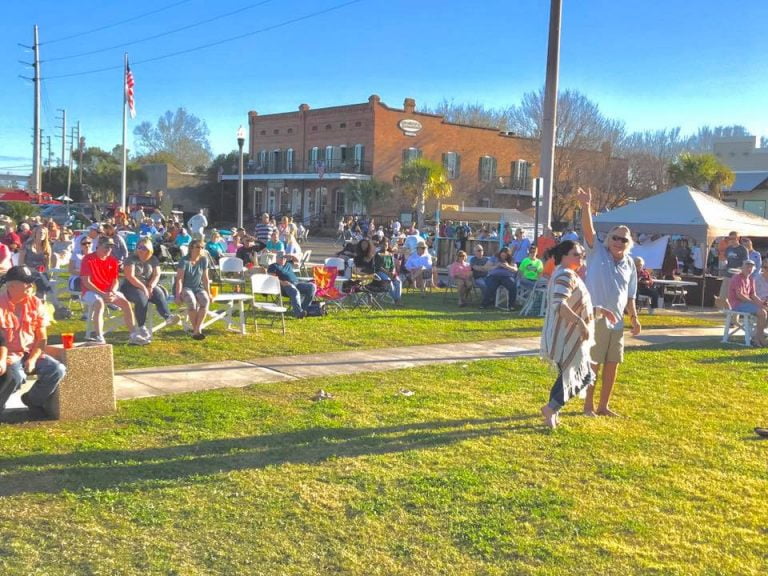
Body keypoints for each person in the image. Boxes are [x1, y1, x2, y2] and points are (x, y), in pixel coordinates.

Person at [577, 186, 640, 417]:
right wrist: (586, 206)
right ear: (608, 239)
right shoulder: (597, 252)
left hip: (618, 322)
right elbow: (588, 230)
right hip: (597, 317)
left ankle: (604, 406)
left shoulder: (630, 263)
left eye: (623, 239)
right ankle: (588, 406)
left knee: (613, 364)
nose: (618, 242)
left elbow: (630, 293)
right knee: (594, 363)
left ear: (628, 243)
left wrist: (634, 317)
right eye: (614, 237)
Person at [539, 241, 595, 428]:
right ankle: (551, 408)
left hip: (565, 335)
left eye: (582, 254)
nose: (580, 258)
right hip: (565, 336)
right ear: (563, 256)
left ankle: (552, 412)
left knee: (568, 374)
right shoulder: (565, 275)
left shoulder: (568, 275)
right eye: (575, 254)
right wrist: (579, 323)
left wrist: (598, 311)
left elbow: (576, 304)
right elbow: (559, 305)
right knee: (583, 376)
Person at [0, 266, 67, 418]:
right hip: (7, 354)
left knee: (57, 369)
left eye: (31, 282)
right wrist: (4, 359)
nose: (31, 286)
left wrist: (33, 358)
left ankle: (32, 400)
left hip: (30, 352)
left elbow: (42, 337)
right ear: (12, 286)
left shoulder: (36, 303)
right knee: (16, 375)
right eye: (27, 283)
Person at [80, 236, 148, 345]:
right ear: (98, 246)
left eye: (111, 247)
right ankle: (99, 336)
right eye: (106, 247)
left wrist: (112, 292)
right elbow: (86, 282)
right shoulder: (88, 259)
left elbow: (115, 281)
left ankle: (133, 334)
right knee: (99, 303)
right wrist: (102, 294)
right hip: (90, 291)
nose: (109, 250)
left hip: (108, 291)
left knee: (126, 304)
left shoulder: (112, 261)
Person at [120, 237, 181, 341]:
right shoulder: (131, 259)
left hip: (147, 285)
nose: (140, 249)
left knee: (158, 293)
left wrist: (150, 286)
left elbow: (157, 274)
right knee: (142, 298)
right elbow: (130, 277)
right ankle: (141, 326)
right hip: (130, 286)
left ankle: (168, 317)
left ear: (149, 249)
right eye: (139, 247)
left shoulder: (153, 259)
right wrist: (144, 288)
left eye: (144, 247)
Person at [174, 239, 211, 340]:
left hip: (198, 287)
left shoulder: (204, 260)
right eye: (198, 247)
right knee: (191, 302)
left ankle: (196, 329)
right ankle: (197, 330)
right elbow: (179, 279)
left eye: (202, 247)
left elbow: (205, 278)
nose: (200, 249)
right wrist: (177, 295)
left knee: (205, 301)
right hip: (185, 287)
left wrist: (209, 293)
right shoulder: (184, 261)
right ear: (191, 248)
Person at [727, 259, 767, 346]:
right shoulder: (737, 278)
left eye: (751, 267)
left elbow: (753, 295)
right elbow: (739, 296)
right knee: (762, 312)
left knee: (764, 310)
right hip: (737, 304)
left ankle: (757, 337)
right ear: (742, 267)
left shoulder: (751, 279)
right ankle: (759, 338)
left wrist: (761, 304)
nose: (749, 268)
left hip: (746, 304)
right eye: (747, 266)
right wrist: (755, 303)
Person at [267, 252, 316, 318]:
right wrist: (282, 282)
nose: (283, 260)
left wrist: (291, 255)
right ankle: (298, 313)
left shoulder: (288, 264)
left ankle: (304, 309)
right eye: (281, 258)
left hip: (297, 284)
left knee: (312, 287)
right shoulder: (273, 266)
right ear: (277, 258)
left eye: (284, 258)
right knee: (294, 291)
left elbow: (298, 261)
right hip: (284, 286)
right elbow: (272, 278)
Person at [374, 238, 402, 305]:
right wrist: (388, 273)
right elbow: (379, 267)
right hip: (380, 272)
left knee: (398, 282)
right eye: (383, 245)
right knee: (389, 282)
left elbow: (392, 265)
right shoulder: (378, 254)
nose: (385, 246)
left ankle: (398, 299)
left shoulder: (389, 254)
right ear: (380, 245)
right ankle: (396, 300)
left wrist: (392, 272)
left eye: (386, 245)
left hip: (390, 272)